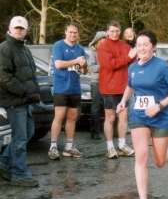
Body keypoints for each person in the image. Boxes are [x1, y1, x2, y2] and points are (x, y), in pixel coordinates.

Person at [117, 30, 168, 199]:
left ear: (154, 47)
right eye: (138, 45)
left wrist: (159, 105)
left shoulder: (163, 67)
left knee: (159, 162)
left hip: (162, 117)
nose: (142, 48)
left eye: (146, 45)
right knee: (141, 157)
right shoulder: (132, 67)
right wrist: (123, 101)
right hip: (139, 116)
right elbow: (131, 85)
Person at [0, 16, 40, 187]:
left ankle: (4, 163)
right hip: (14, 100)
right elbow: (3, 77)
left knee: (28, 132)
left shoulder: (24, 48)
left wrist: (34, 91)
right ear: (9, 28)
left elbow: (31, 73)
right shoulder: (5, 48)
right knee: (20, 137)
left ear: (26, 30)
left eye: (22, 28)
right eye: (16, 27)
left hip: (24, 101)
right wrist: (24, 90)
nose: (19, 30)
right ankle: (19, 173)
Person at [97, 20, 137, 159]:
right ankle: (110, 147)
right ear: (107, 31)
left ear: (120, 31)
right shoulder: (104, 46)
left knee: (123, 116)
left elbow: (132, 61)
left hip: (123, 87)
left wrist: (135, 56)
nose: (115, 33)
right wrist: (128, 57)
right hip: (108, 88)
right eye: (112, 31)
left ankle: (121, 145)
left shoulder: (124, 45)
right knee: (110, 117)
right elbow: (111, 64)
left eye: (117, 31)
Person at [48, 22, 87, 160]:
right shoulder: (58, 45)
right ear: (65, 32)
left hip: (75, 88)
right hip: (61, 87)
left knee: (72, 117)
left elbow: (84, 70)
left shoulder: (80, 49)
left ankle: (69, 147)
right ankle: (53, 147)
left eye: (75, 32)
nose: (73, 34)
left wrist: (84, 65)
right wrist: (76, 61)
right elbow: (58, 64)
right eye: (70, 32)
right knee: (59, 117)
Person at [88, 31, 107, 140]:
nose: (104, 42)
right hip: (96, 83)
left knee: (108, 107)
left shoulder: (109, 52)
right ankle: (94, 132)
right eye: (102, 40)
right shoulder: (93, 53)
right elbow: (91, 68)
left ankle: (108, 130)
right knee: (95, 107)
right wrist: (103, 66)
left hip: (107, 83)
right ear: (98, 41)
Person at [123, 28, 137, 132]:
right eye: (127, 33)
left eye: (130, 32)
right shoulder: (123, 45)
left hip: (139, 74)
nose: (129, 34)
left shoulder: (138, 44)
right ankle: (129, 124)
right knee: (130, 101)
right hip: (128, 76)